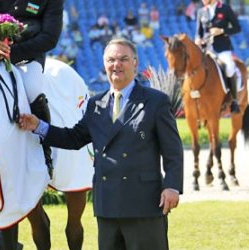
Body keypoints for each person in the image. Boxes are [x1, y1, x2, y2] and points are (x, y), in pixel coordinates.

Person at [18, 38, 184, 250]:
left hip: (144, 204)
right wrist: (39, 126)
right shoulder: (95, 104)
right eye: (111, 59)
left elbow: (173, 151)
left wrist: (172, 186)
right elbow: (74, 138)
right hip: (108, 206)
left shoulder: (155, 101)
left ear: (135, 63)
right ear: (104, 65)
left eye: (124, 59)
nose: (117, 64)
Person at [0, 0, 64, 177]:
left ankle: (46, 152)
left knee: (31, 89)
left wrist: (13, 52)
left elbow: (50, 37)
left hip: (28, 56)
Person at [195, 0, 241, 113]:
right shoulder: (201, 11)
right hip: (206, 49)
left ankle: (234, 101)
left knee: (230, 68)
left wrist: (221, 30)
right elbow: (198, 32)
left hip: (222, 48)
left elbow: (237, 28)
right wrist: (197, 39)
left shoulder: (225, 8)